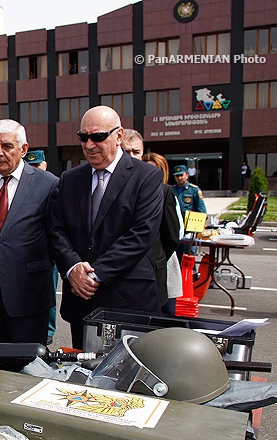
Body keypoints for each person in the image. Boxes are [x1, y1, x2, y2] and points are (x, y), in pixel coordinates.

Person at [49, 106, 163, 349]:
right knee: (84, 376)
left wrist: (94, 273)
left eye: (98, 137)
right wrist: (72, 269)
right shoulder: (70, 179)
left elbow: (142, 234)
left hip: (128, 300)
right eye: (83, 137)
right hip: (82, 301)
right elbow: (57, 230)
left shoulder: (146, 177)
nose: (89, 145)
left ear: (119, 136)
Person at [0, 120, 58, 377]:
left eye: (7, 146)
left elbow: (56, 237)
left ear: (24, 148)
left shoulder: (48, 185)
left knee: (29, 373)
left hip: (30, 298)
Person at [143, 152, 184, 315]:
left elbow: (173, 236)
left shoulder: (166, 193)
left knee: (165, 313)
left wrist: (157, 258)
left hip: (163, 263)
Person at [24, 148, 57, 344]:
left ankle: (49, 330)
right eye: (31, 165)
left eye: (37, 165)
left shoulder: (52, 183)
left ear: (45, 164)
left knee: (49, 293)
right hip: (28, 252)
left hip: (47, 251)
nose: (35, 168)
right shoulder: (26, 184)